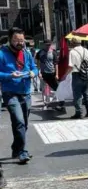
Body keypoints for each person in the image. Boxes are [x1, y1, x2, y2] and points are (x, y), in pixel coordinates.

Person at [0, 27, 39, 164]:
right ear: (10, 39)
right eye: (16, 40)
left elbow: (34, 67)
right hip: (10, 93)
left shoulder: (26, 53)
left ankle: (16, 148)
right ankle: (22, 152)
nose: (20, 43)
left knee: (24, 124)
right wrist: (9, 75)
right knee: (19, 121)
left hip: (26, 92)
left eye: (22, 40)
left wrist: (34, 72)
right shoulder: (2, 54)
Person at [65, 38, 88, 119]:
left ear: (73, 43)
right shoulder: (86, 50)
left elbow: (70, 66)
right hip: (86, 73)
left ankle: (79, 112)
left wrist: (65, 75)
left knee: (77, 94)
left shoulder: (72, 52)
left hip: (77, 74)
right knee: (87, 93)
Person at [37, 39, 65, 112]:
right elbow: (38, 62)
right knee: (44, 90)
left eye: (49, 44)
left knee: (57, 89)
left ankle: (61, 103)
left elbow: (56, 64)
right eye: (47, 44)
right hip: (44, 74)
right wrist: (39, 72)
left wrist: (57, 74)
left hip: (52, 74)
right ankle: (46, 104)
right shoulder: (40, 52)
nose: (48, 46)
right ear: (44, 44)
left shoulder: (53, 52)